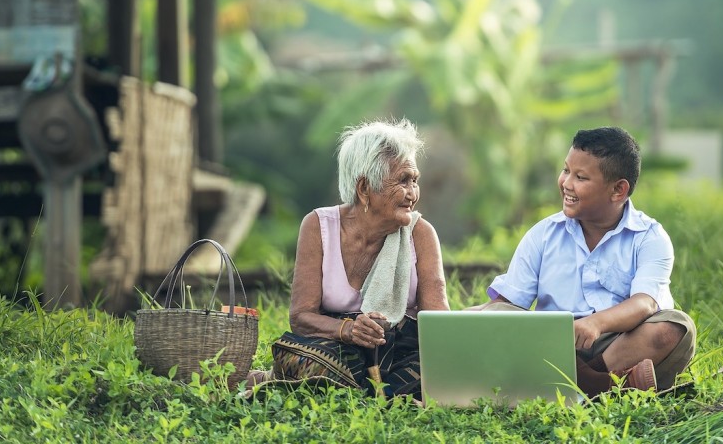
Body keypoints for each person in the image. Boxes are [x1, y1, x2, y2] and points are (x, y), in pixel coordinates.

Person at [469, 126, 696, 397]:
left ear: (618, 190)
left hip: (618, 344)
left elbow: (645, 303)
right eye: (566, 171)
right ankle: (603, 387)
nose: (566, 183)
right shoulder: (543, 234)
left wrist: (596, 323)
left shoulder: (649, 237)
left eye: (581, 177)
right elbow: (507, 303)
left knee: (675, 328)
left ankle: (564, 382)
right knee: (497, 315)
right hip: (550, 343)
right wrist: (464, 318)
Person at [250, 118, 449, 399]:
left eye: (415, 181)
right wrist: (349, 329)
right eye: (403, 181)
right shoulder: (318, 226)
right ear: (365, 188)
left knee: (433, 368)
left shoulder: (421, 234)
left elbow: (439, 326)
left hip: (401, 352)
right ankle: (382, 394)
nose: (412, 194)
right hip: (338, 349)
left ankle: (362, 391)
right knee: (309, 360)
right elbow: (301, 317)